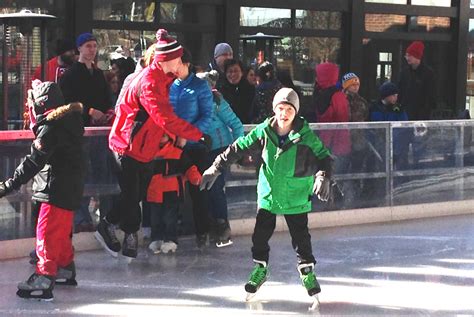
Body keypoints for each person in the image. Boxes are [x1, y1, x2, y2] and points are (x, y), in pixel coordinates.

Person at [200, 87, 332, 304]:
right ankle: (260, 268)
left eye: (289, 109)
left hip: (296, 195)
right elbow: (238, 147)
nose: (284, 113)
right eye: (280, 108)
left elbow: (324, 157)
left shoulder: (306, 136)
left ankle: (307, 272)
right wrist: (216, 166)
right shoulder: (263, 132)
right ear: (274, 109)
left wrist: (323, 175)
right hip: (269, 194)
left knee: (301, 238)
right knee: (260, 235)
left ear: (295, 112)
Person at [95, 29, 204, 260]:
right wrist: (196, 133)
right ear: (168, 59)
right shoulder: (149, 82)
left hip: (146, 147)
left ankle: (110, 225)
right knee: (131, 194)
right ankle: (116, 229)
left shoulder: (163, 78)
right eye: (179, 58)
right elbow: (164, 117)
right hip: (127, 144)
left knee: (137, 194)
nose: (181, 62)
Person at [0, 81, 84, 300]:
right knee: (61, 233)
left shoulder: (51, 128)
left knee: (46, 233)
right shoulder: (68, 122)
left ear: (40, 104)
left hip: (55, 189)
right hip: (68, 187)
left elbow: (33, 162)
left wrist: (9, 184)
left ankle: (45, 275)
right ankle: (65, 265)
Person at [59, 32, 115, 233]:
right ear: (79, 49)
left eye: (94, 46)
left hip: (99, 135)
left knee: (101, 174)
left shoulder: (99, 74)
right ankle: (81, 216)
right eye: (88, 46)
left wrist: (108, 112)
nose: (92, 49)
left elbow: (107, 99)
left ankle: (105, 218)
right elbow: (66, 101)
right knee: (82, 174)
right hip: (80, 133)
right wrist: (89, 111)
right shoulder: (71, 74)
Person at [169, 48, 214, 247]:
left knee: (199, 190)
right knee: (170, 190)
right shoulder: (171, 85)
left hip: (194, 146)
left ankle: (202, 231)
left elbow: (207, 116)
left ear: (186, 63)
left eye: (176, 63)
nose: (173, 68)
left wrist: (188, 136)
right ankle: (170, 233)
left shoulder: (200, 86)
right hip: (170, 146)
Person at [196, 70, 244, 247]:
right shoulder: (192, 103)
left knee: (215, 187)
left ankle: (222, 224)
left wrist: (237, 150)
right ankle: (207, 225)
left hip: (220, 149)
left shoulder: (218, 102)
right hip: (201, 149)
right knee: (202, 188)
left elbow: (236, 124)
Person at [146, 133, 202, 254]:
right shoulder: (149, 152)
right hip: (154, 192)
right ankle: (157, 239)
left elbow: (189, 167)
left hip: (172, 191)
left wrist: (195, 178)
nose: (161, 137)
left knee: (170, 218)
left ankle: (171, 240)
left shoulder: (177, 152)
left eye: (164, 135)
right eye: (159, 135)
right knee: (155, 218)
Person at [313, 62, 351, 208]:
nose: (316, 78)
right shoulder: (321, 94)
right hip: (325, 144)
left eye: (319, 75)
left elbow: (340, 122)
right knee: (326, 177)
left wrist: (326, 144)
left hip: (336, 146)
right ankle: (329, 204)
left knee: (333, 177)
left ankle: (334, 205)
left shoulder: (336, 96)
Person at [342, 72, 369, 207]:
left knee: (357, 170)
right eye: (353, 84)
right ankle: (339, 196)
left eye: (357, 84)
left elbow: (366, 118)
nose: (355, 87)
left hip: (359, 141)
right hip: (344, 142)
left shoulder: (362, 102)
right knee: (342, 170)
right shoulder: (341, 100)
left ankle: (357, 196)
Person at [398, 41, 435, 121]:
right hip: (405, 114)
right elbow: (400, 91)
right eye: (406, 55)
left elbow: (429, 96)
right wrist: (398, 108)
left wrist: (425, 113)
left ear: (417, 56)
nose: (407, 58)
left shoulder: (428, 74)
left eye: (410, 55)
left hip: (421, 116)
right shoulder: (404, 72)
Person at [219, 59, 255, 124]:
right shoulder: (220, 90)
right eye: (230, 71)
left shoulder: (250, 89)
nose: (233, 74)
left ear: (242, 73)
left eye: (236, 71)